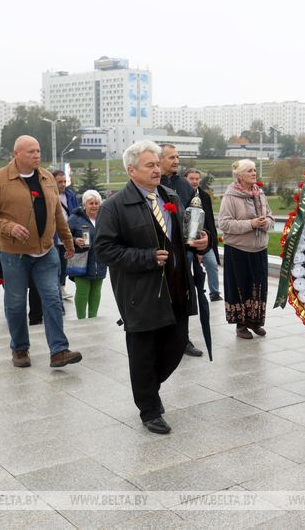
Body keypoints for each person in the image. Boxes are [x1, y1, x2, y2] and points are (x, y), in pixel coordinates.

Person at [94, 141, 209, 434]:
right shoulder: (114, 207)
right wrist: (145, 257)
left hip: (176, 285)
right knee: (143, 353)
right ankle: (149, 409)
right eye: (150, 165)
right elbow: (104, 250)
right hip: (140, 293)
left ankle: (147, 387)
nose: (157, 169)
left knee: (175, 345)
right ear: (131, 170)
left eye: (158, 164)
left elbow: (184, 234)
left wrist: (199, 242)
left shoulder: (169, 196)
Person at [0, 135, 82, 369]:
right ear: (16, 154)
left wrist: (67, 240)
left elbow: (57, 214)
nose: (37, 155)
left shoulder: (46, 177)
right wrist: (8, 227)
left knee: (53, 299)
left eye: (38, 151)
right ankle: (20, 348)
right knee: (15, 303)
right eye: (31, 152)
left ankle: (59, 351)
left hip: (46, 250)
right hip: (14, 254)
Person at [218, 159, 274, 340]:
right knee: (240, 287)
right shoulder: (231, 196)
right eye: (249, 171)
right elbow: (224, 224)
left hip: (259, 249)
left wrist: (266, 223)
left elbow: (271, 217)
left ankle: (255, 321)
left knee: (258, 287)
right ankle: (241, 325)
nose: (254, 173)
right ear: (240, 175)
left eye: (254, 170)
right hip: (238, 250)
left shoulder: (260, 194)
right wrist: (251, 223)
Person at [159, 143, 204, 357]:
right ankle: (161, 339)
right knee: (161, 296)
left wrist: (200, 242)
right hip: (159, 252)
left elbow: (194, 214)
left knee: (183, 295)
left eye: (177, 157)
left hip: (182, 250)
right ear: (159, 161)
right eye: (171, 157)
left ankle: (183, 340)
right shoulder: (153, 183)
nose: (176, 161)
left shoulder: (185, 185)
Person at [67, 190, 108, 319]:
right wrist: (74, 240)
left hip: (100, 260)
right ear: (85, 204)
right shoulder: (75, 219)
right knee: (82, 291)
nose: (94, 206)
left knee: (96, 292)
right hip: (81, 260)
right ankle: (81, 319)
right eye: (91, 203)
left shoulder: (105, 217)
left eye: (97, 203)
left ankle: (93, 318)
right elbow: (63, 235)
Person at [184, 168, 221, 301]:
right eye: (191, 179)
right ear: (185, 180)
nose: (194, 181)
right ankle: (186, 292)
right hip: (187, 242)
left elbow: (210, 220)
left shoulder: (205, 196)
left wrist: (212, 240)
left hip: (205, 239)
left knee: (211, 263)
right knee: (186, 262)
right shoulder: (181, 196)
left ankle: (215, 293)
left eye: (197, 179)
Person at [52, 170, 79, 303]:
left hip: (68, 234)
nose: (63, 184)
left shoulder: (70, 194)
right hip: (53, 235)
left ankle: (62, 288)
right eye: (60, 182)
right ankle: (55, 290)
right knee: (54, 263)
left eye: (65, 181)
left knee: (64, 263)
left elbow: (76, 212)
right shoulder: (49, 195)